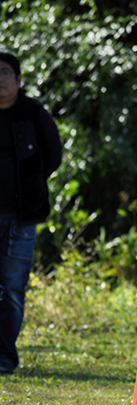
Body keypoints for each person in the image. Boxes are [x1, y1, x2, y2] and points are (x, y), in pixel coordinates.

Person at [0, 50, 62, 375]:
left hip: (22, 218)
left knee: (11, 288)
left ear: (19, 79)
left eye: (6, 72)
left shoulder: (34, 113)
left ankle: (5, 358)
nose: (0, 79)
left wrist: (30, 185)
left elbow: (53, 156)